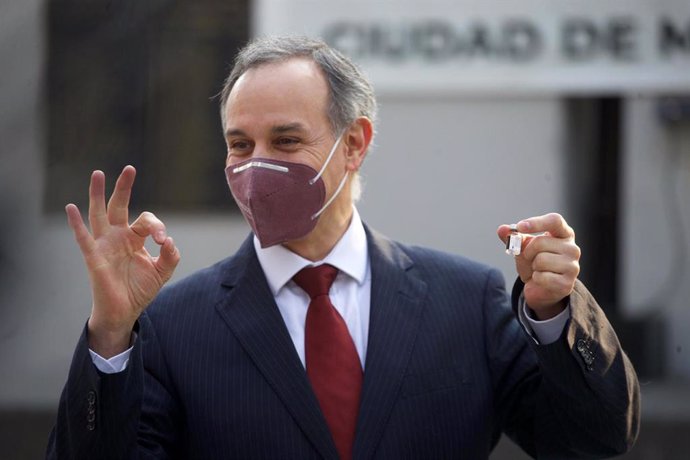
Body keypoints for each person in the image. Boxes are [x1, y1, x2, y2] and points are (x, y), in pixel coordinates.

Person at [46, 36, 639, 459]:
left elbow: (594, 442)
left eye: (285, 140)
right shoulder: (174, 327)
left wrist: (556, 313)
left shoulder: (466, 302)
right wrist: (111, 336)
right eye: (238, 144)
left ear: (353, 143)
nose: (257, 165)